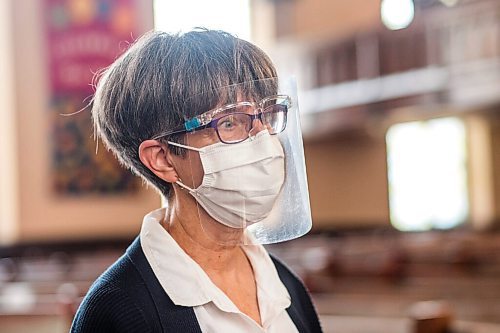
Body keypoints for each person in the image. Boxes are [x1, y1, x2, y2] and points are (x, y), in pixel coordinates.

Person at [71, 28, 322, 333]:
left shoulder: (284, 284)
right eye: (229, 122)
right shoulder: (118, 310)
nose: (264, 139)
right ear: (163, 159)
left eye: (266, 115)